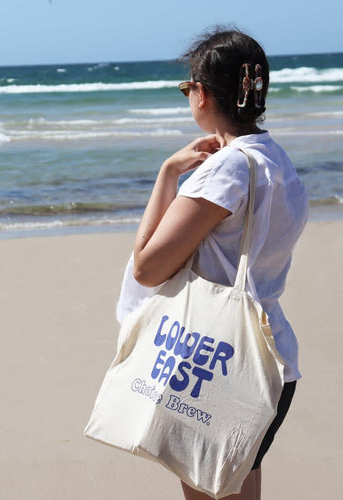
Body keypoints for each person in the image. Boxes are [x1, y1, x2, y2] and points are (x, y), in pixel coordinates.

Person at [116, 28, 308, 500]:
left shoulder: (225, 170)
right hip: (267, 357)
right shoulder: (278, 162)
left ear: (201, 93)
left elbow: (147, 267)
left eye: (187, 88)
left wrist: (167, 174)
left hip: (213, 365)